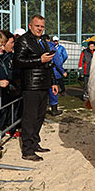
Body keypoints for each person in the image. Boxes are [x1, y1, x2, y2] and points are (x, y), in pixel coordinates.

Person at [13, 15, 57, 161]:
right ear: (30, 25)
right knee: (29, 118)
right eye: (37, 26)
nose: (40, 29)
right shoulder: (23, 40)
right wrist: (39, 59)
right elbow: (18, 61)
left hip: (43, 84)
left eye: (42, 26)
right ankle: (27, 150)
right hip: (31, 85)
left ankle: (35, 143)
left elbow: (48, 63)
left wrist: (53, 82)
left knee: (39, 117)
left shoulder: (43, 40)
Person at [44, 35, 65, 116]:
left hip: (41, 73)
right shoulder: (53, 48)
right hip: (52, 72)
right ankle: (54, 109)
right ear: (49, 40)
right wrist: (62, 71)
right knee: (53, 90)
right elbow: (58, 62)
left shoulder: (38, 46)